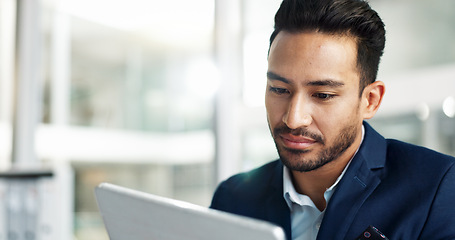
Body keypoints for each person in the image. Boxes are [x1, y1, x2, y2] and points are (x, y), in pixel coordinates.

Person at [210, 0, 455, 239]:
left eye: (323, 95)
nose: (294, 119)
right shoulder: (232, 199)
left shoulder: (437, 189)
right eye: (279, 89)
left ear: (370, 100)